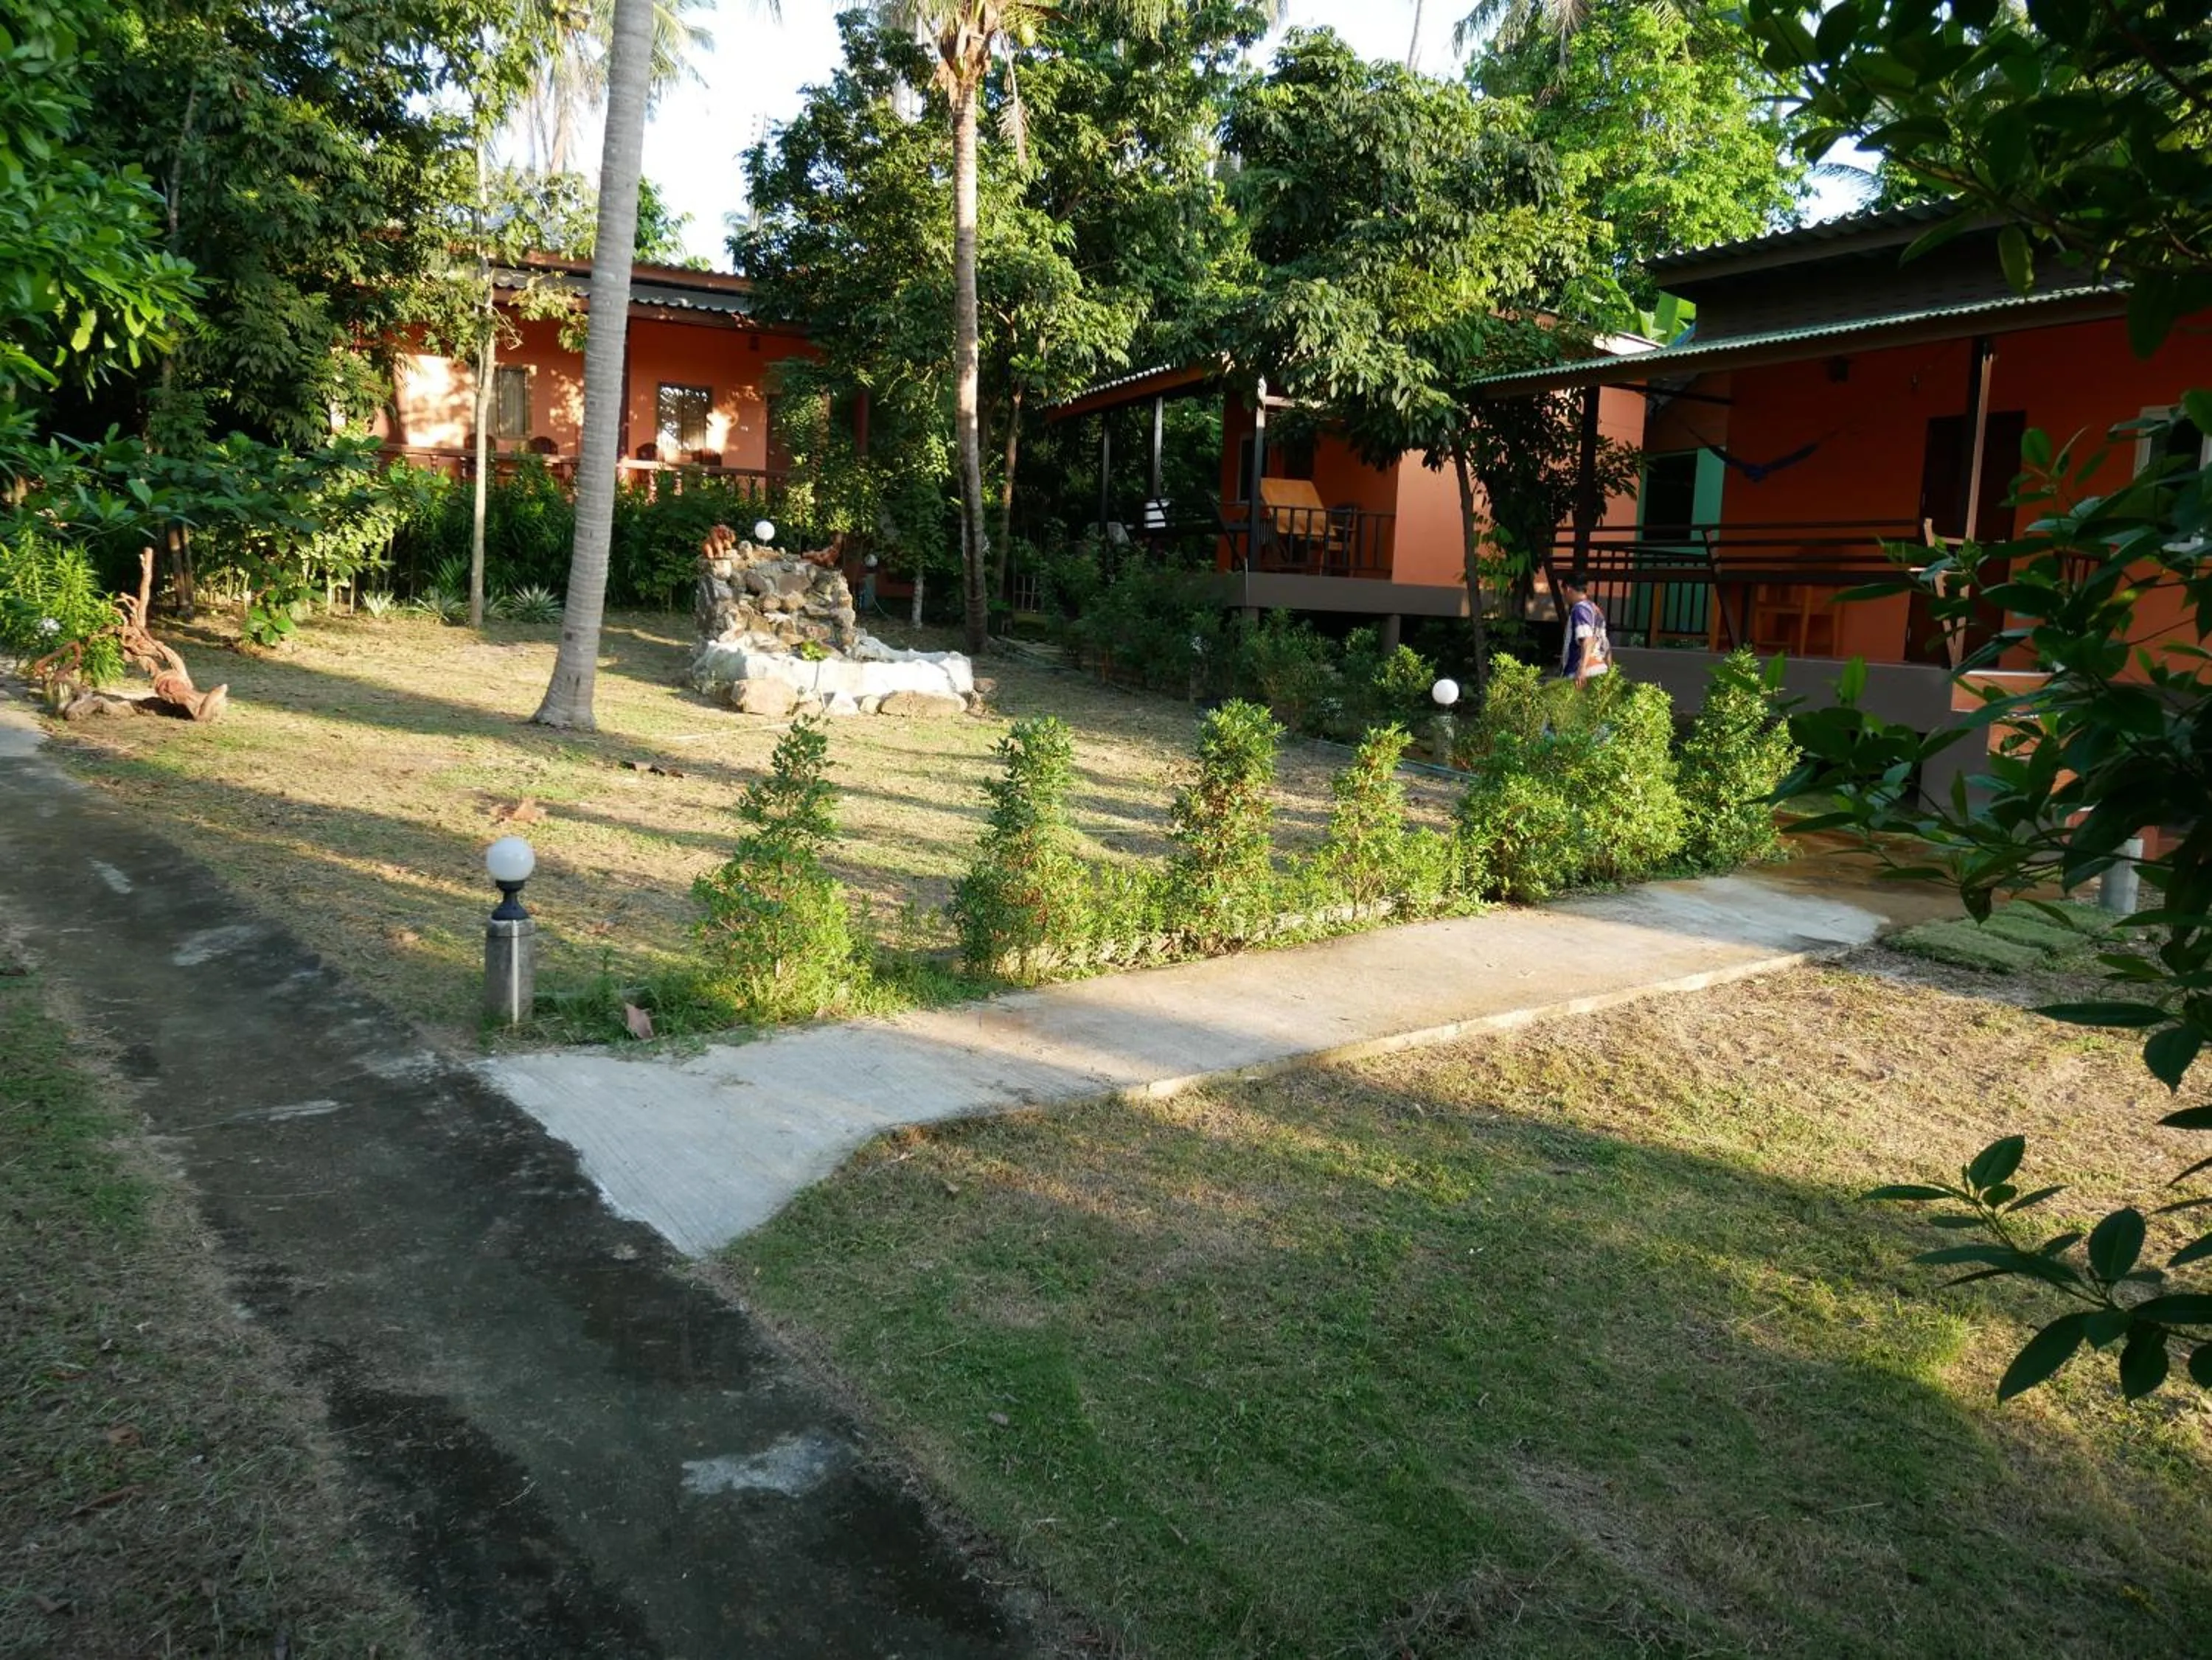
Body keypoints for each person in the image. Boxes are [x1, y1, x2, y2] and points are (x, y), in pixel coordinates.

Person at [1557, 572, 1611, 686]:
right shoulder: (1596, 610)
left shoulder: (1579, 609)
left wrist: (1582, 669)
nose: (1564, 596)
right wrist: (1611, 672)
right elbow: (1606, 645)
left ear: (1568, 588)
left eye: (1564, 592)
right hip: (1600, 668)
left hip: (1583, 672)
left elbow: (1587, 639)